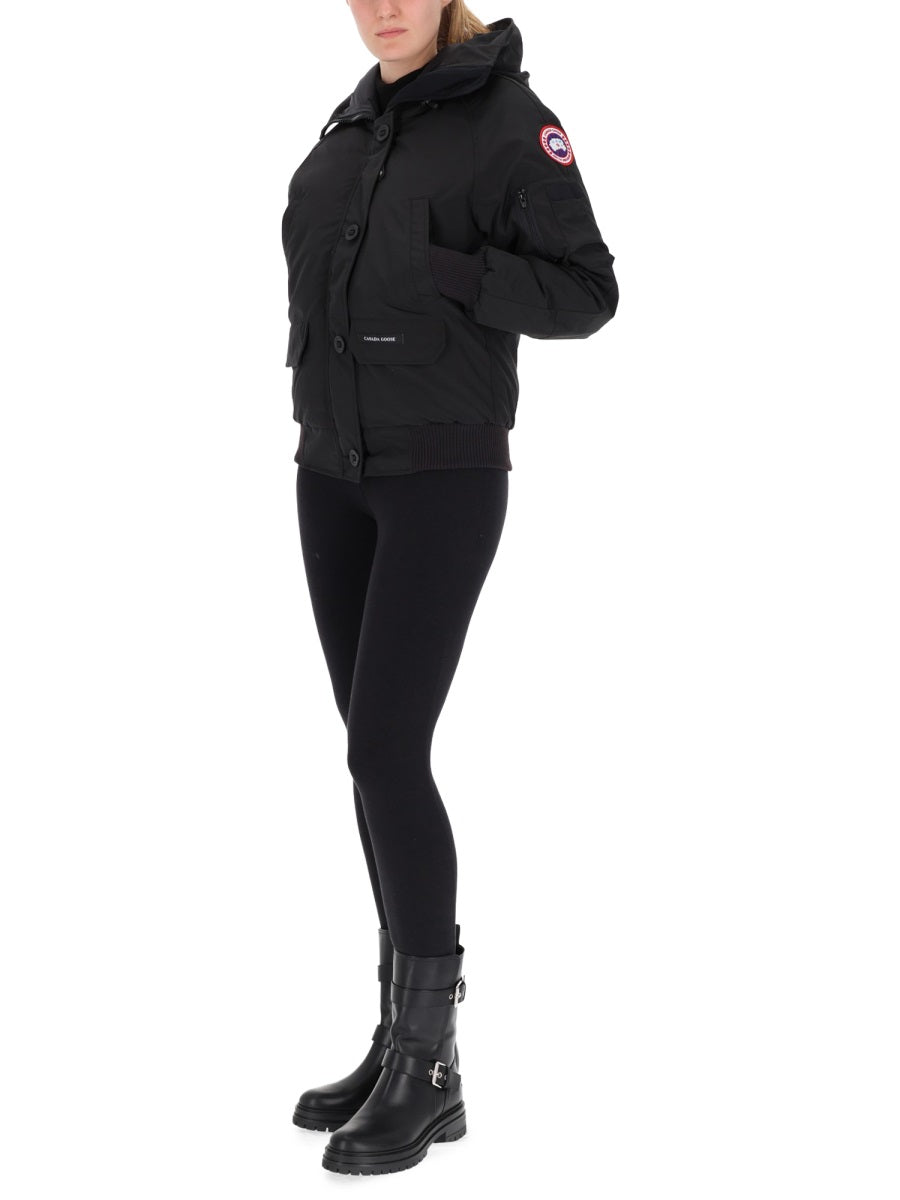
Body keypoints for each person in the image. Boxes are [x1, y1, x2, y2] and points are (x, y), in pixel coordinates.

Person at [281, 0, 618, 1175]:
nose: (382, 7)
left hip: (441, 477)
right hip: (332, 474)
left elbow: (587, 292)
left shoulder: (508, 120)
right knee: (365, 756)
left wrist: (448, 272)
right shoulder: (348, 125)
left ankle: (431, 1066)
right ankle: (398, 1039)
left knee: (388, 752)